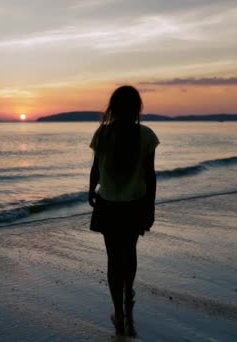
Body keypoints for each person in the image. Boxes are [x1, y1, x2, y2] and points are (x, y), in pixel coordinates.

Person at [88, 85, 159, 337]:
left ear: (113, 107)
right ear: (137, 108)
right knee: (129, 253)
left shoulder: (102, 134)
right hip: (134, 204)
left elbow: (95, 168)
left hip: (108, 203)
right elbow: (150, 177)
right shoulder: (146, 135)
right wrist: (150, 208)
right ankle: (128, 301)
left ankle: (118, 311)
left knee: (113, 258)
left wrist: (90, 190)